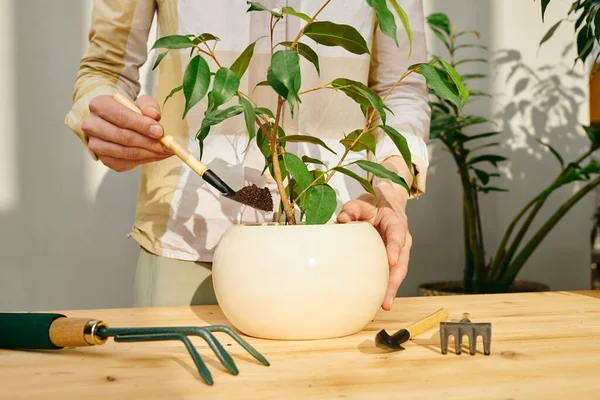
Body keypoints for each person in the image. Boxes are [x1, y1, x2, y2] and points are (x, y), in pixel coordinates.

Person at [65, 0, 431, 311]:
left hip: (339, 236)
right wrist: (104, 120)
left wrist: (391, 194)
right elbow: (104, 71)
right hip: (193, 240)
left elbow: (402, 89)